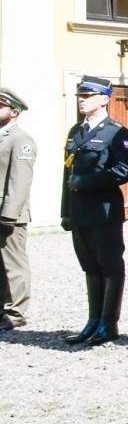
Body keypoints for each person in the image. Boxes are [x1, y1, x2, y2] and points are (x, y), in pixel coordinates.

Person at [60, 76, 128, 347]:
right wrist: (65, 211)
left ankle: (108, 322)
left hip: (104, 210)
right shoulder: (75, 132)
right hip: (80, 210)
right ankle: (93, 320)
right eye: (80, 95)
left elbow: (127, 169)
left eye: (88, 95)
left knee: (109, 265)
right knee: (90, 267)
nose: (82, 99)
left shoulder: (116, 133)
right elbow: (67, 173)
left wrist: (90, 181)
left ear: (105, 99)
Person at [0, 86, 37, 333]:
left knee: (12, 262)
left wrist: (9, 214)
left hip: (8, 212)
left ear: (14, 112)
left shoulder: (20, 140)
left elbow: (19, 179)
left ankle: (15, 311)